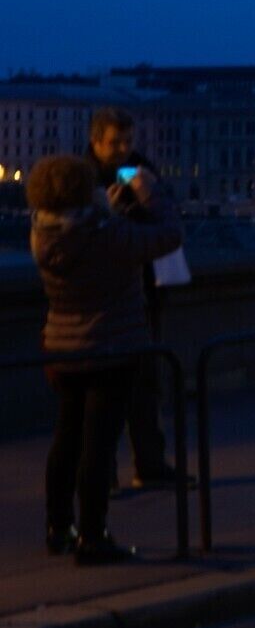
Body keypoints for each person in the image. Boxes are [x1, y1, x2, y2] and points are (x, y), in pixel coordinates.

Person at [29, 154, 183, 564]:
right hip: (111, 349)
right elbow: (167, 236)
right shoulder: (107, 235)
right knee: (98, 447)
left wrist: (108, 210)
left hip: (63, 349)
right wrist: (148, 191)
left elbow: (84, 234)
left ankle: (59, 527)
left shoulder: (43, 235)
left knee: (66, 439)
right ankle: (94, 536)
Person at [87, 106, 183, 491]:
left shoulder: (142, 168)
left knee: (145, 382)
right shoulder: (82, 177)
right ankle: (103, 472)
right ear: (96, 141)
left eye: (128, 141)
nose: (123, 149)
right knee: (104, 392)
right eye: (115, 142)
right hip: (106, 295)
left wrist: (149, 198)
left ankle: (150, 461)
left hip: (143, 289)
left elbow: (165, 219)